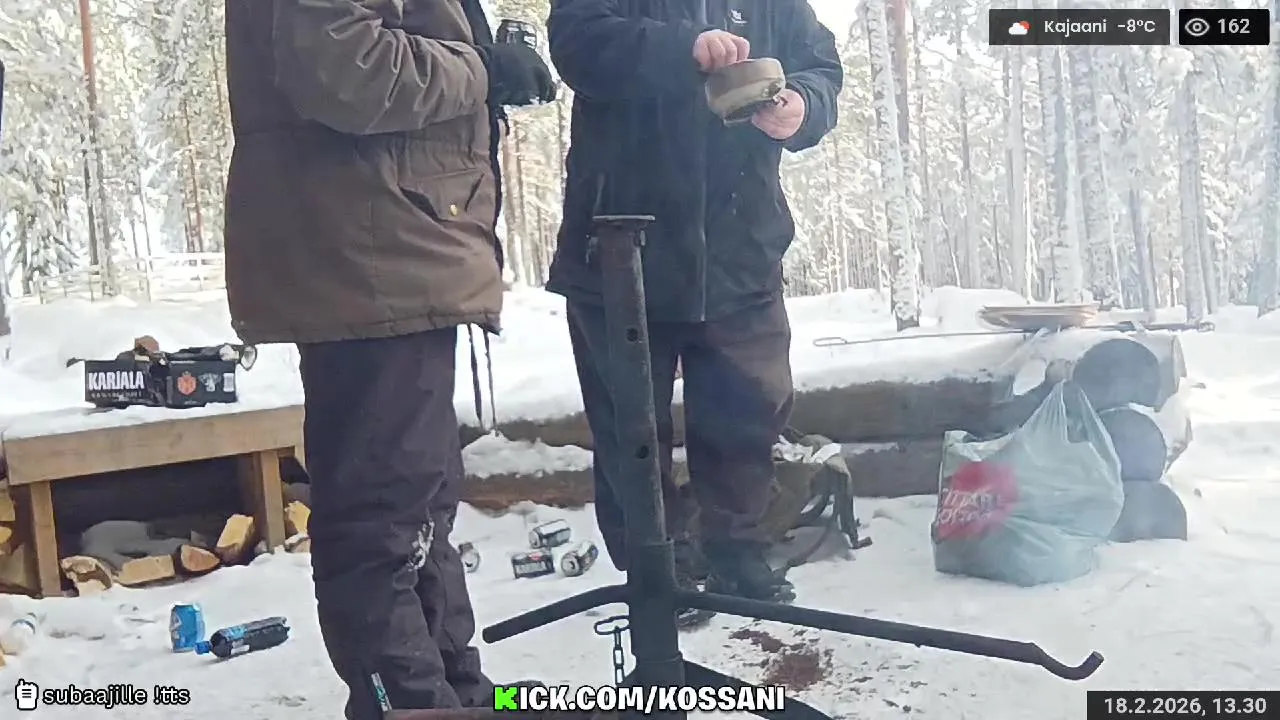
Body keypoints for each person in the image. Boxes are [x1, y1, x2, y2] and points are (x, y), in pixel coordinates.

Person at [221, 0, 555, 716]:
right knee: (382, 522)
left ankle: (455, 695)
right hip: (370, 251)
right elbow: (346, 65)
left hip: (393, 244)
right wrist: (483, 69)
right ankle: (409, 702)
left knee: (417, 511)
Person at [545, 0, 842, 612]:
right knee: (630, 423)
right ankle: (657, 565)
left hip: (742, 241)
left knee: (747, 408)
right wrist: (682, 48)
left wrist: (804, 106)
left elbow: (820, 65)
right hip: (621, 239)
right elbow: (577, 42)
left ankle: (737, 548)